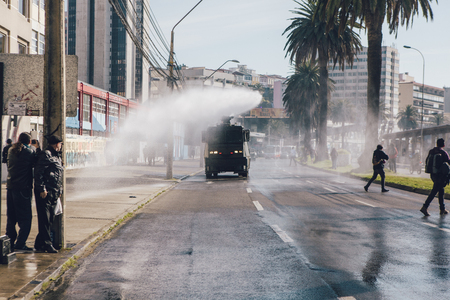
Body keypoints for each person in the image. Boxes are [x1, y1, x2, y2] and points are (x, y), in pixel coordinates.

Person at [5, 133, 37, 251]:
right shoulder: (29, 152)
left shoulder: (10, 150)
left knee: (11, 217)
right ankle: (20, 243)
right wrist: (36, 147)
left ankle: (9, 242)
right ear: (29, 142)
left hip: (10, 187)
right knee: (26, 218)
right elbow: (36, 161)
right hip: (23, 189)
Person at [34, 135, 64, 253]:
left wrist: (59, 190)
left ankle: (39, 243)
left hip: (54, 192)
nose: (61, 146)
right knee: (45, 219)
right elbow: (39, 173)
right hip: (45, 192)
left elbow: (59, 174)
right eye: (60, 144)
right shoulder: (45, 154)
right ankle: (47, 244)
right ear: (57, 144)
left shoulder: (57, 156)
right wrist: (41, 189)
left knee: (50, 219)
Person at [420, 138, 449, 216]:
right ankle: (424, 207)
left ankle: (442, 209)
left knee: (441, 190)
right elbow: (448, 162)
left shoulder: (431, 151)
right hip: (441, 175)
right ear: (443, 145)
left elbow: (426, 161)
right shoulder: (443, 152)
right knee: (435, 191)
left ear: (436, 144)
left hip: (433, 174)